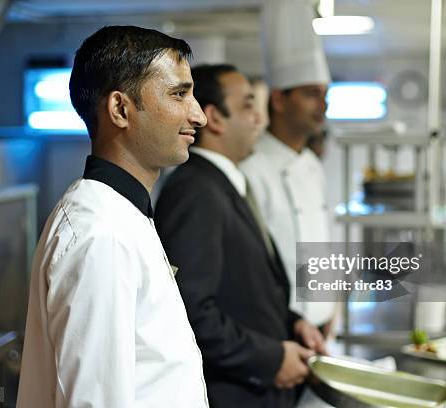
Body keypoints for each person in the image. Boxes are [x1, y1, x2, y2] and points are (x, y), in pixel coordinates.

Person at [17, 26, 209, 407]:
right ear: (120, 109)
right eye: (178, 94)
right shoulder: (99, 233)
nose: (199, 115)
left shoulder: (122, 214)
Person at [154, 64, 326, 408]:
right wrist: (271, 358)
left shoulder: (224, 183)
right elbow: (190, 311)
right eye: (248, 105)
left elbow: (240, 292)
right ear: (215, 118)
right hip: (232, 393)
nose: (259, 120)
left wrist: (292, 323)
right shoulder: (196, 190)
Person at [240, 0, 336, 330]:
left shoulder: (313, 166)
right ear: (279, 99)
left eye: (325, 94)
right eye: (311, 94)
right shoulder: (249, 168)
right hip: (275, 332)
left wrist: (331, 310)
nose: (322, 105)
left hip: (320, 331)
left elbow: (323, 245)